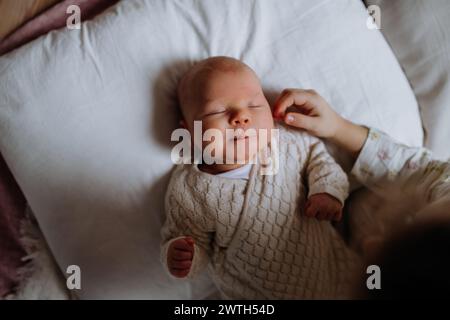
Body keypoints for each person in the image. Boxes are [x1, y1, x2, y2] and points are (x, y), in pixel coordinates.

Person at [160, 56, 360, 299]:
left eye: (254, 105)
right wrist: (182, 257)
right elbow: (190, 241)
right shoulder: (190, 189)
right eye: (218, 110)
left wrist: (326, 190)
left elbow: (318, 158)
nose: (241, 117)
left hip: (333, 273)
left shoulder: (285, 142)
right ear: (189, 130)